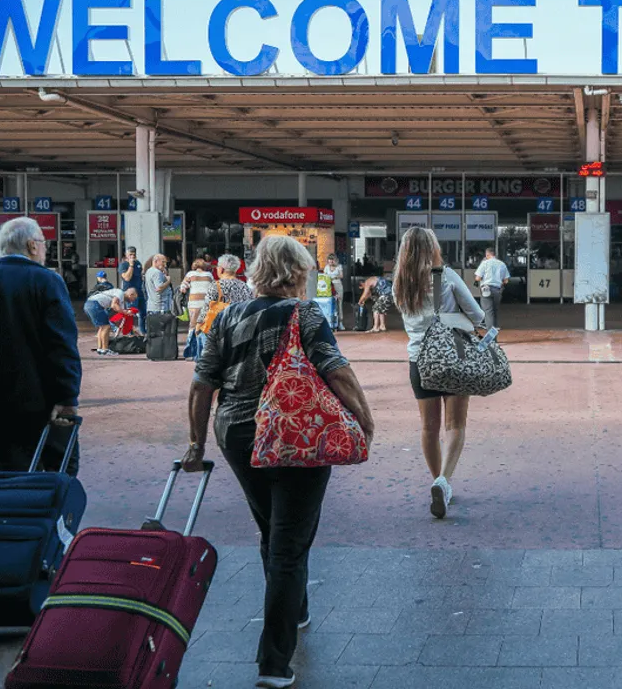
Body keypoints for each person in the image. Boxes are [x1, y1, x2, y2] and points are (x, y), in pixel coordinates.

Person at [183, 236, 373, 688]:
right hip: (293, 433)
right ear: (296, 272)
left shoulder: (228, 315)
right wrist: (364, 420)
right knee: (289, 540)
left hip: (237, 434)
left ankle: (297, 608)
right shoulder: (303, 312)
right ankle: (274, 662)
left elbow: (201, 384)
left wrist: (195, 444)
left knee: (273, 528)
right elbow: (335, 369)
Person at [394, 228, 487, 520]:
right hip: (453, 357)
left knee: (428, 427)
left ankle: (437, 481)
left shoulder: (400, 282)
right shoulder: (445, 276)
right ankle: (444, 481)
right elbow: (478, 315)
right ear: (433, 247)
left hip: (418, 360)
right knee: (455, 425)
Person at [0, 217, 81, 473]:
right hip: (44, 402)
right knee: (59, 472)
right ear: (31, 246)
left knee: (6, 472)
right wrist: (67, 396)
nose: (45, 249)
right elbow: (61, 343)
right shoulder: (46, 281)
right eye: (43, 243)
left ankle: (11, 514)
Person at [85, 286, 138, 355]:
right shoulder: (120, 293)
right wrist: (126, 312)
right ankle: (105, 350)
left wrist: (131, 328)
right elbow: (114, 305)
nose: (133, 301)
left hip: (90, 304)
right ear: (131, 294)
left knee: (102, 327)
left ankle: (100, 349)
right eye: (134, 298)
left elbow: (118, 317)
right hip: (95, 304)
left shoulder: (121, 302)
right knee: (106, 327)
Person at [181, 259, 215, 357]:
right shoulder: (209, 275)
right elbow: (213, 288)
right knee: (205, 327)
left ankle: (190, 350)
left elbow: (183, 287)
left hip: (194, 304)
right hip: (206, 304)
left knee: (192, 326)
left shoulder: (190, 274)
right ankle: (203, 350)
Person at [474, 247, 511, 329]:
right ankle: (495, 329)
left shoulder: (484, 263)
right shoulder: (502, 264)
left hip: (486, 289)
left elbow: (478, 278)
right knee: (495, 311)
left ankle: (491, 338)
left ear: (487, 254)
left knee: (488, 312)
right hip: (497, 290)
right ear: (494, 254)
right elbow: (506, 281)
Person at [119, 246, 146, 332]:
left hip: (140, 292)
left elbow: (141, 276)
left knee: (143, 313)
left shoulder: (138, 263)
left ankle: (143, 332)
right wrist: (131, 265)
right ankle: (129, 333)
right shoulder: (123, 265)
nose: (132, 256)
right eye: (130, 255)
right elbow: (127, 278)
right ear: (126, 255)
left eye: (134, 255)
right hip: (130, 294)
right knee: (130, 314)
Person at [145, 253, 174, 319]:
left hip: (152, 306)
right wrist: (168, 281)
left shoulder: (149, 271)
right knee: (162, 329)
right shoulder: (157, 273)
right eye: (163, 262)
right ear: (155, 261)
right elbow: (159, 288)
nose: (165, 265)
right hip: (160, 307)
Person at [323, 254, 344, 330]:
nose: (331, 261)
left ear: (335, 260)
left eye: (332, 259)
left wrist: (334, 277)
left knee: (339, 303)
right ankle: (331, 322)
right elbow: (324, 276)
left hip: (338, 285)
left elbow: (341, 276)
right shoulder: (326, 268)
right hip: (329, 286)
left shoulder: (339, 266)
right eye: (329, 259)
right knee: (330, 303)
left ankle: (340, 322)